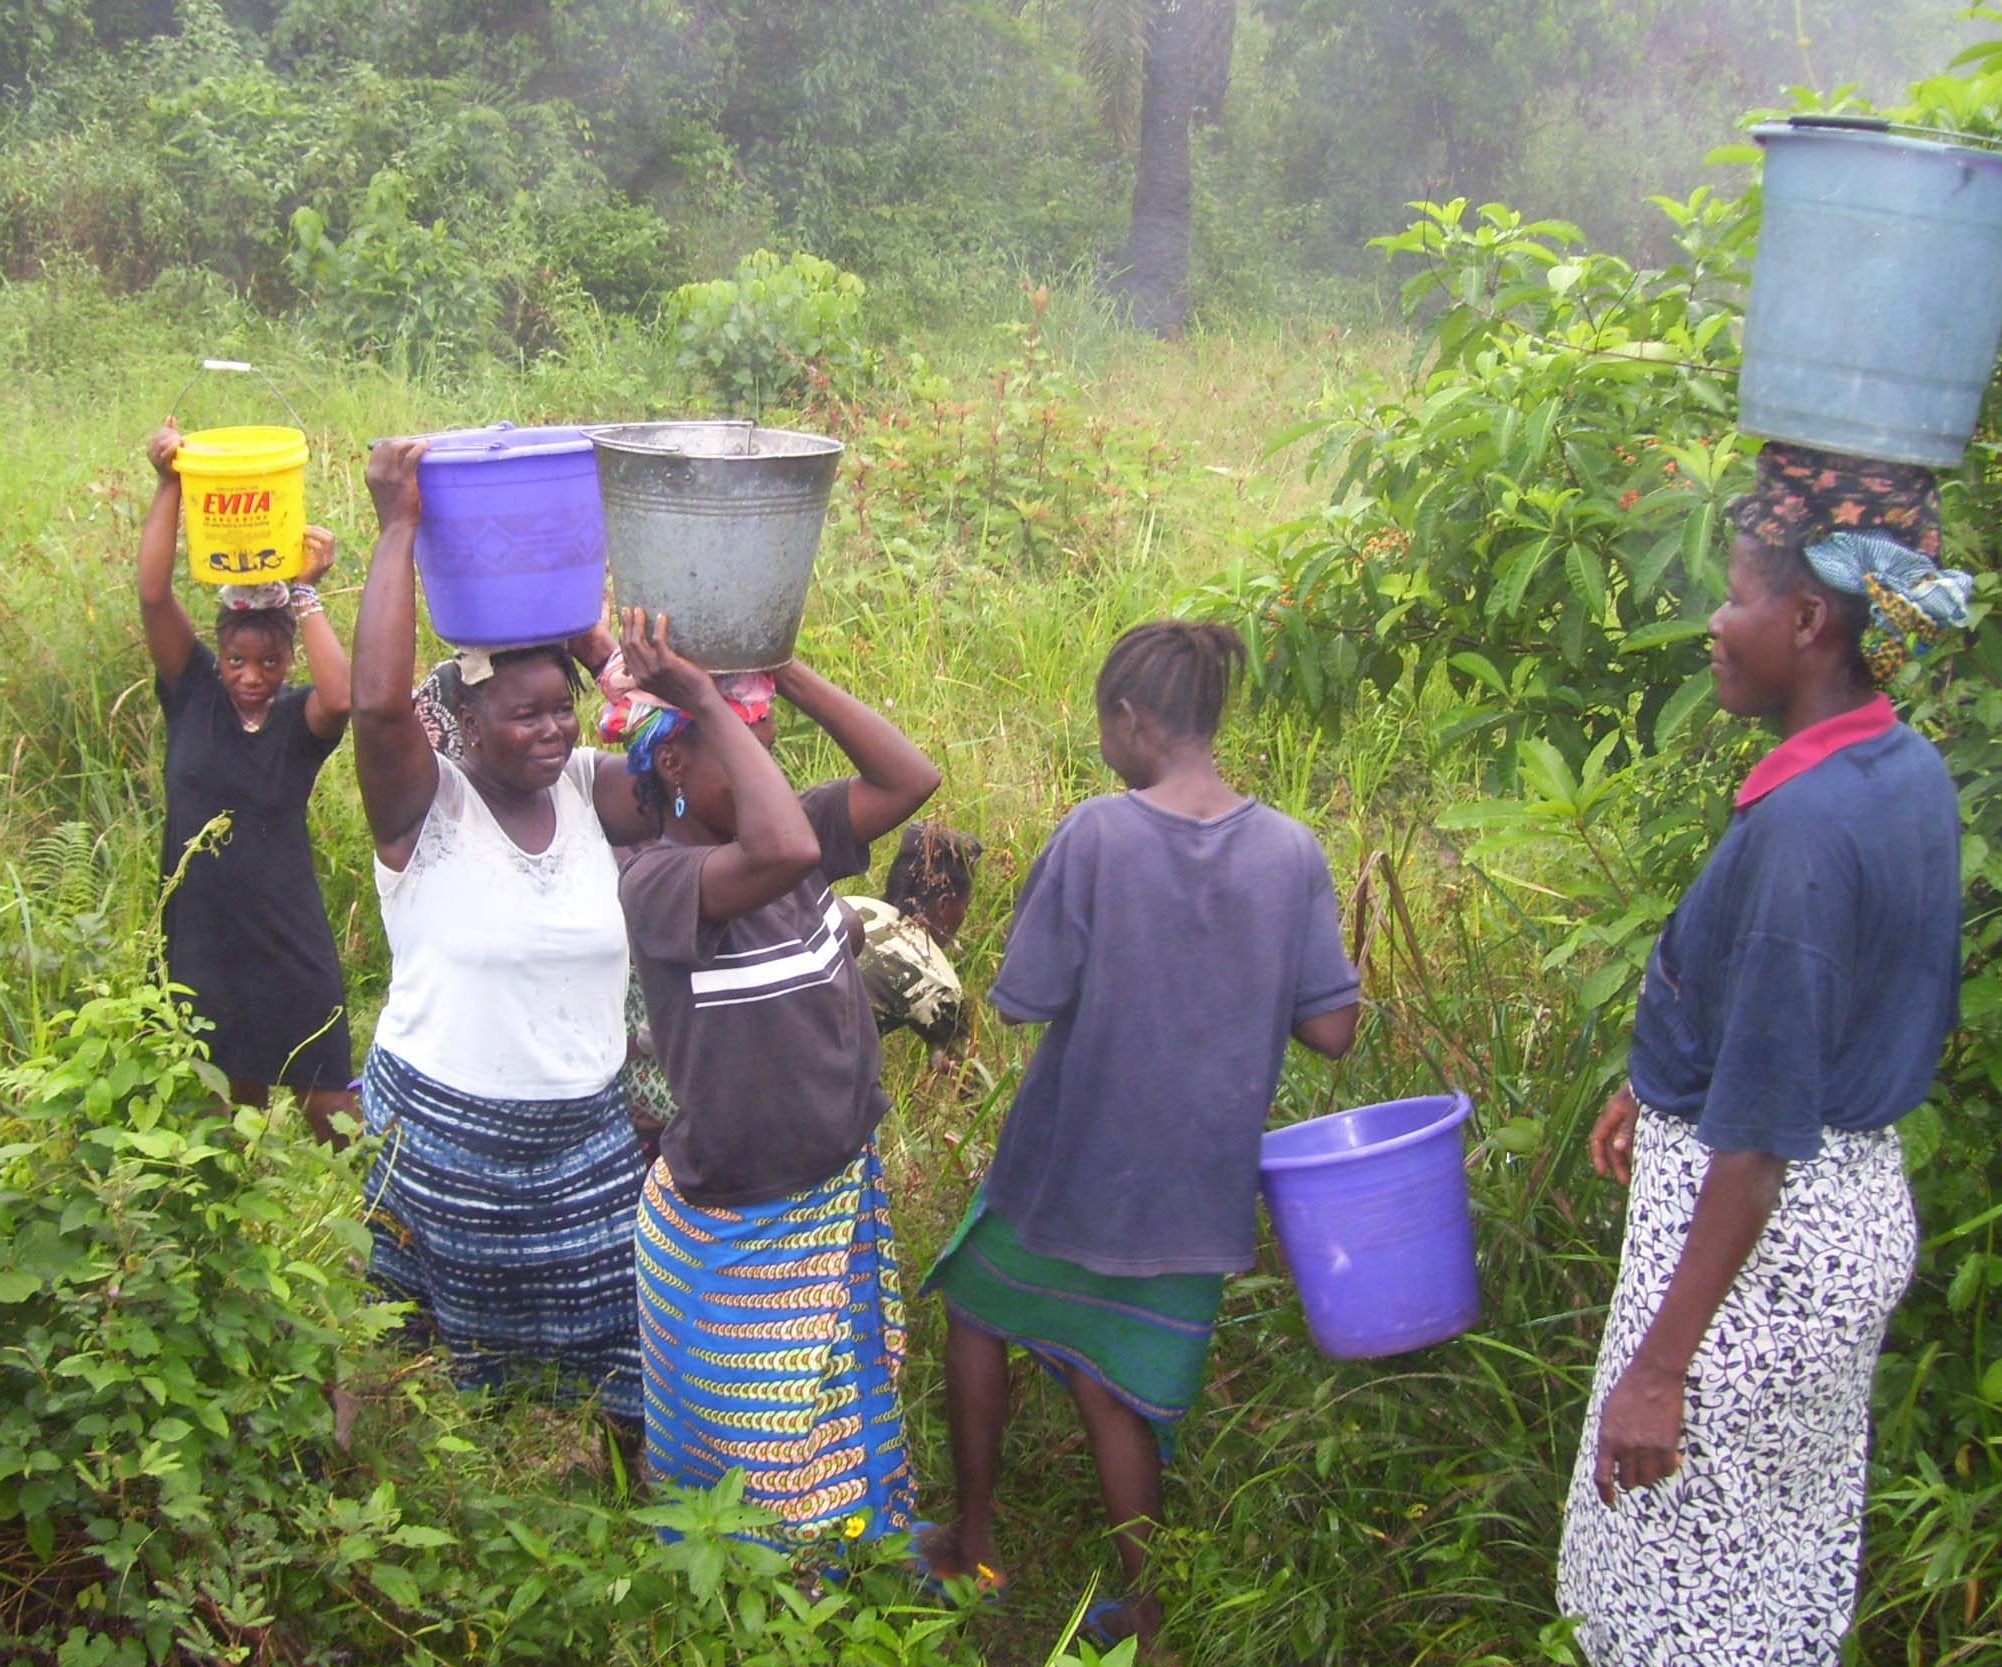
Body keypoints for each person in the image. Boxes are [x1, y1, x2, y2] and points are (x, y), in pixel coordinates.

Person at [1557, 440, 1970, 1667]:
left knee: (1683, 1593)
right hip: (1840, 1219)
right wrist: (1660, 1079)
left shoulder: (1803, 832)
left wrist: (1661, 1367)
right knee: (1769, 1557)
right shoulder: (1896, 768)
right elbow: (1813, 1001)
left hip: (1754, 1264)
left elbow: (1761, 1133)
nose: (1714, 623)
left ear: (1804, 618)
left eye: (1733, 595)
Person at [918, 620, 1363, 1653]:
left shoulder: (1098, 833)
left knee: (978, 1310)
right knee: (1113, 1380)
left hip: (1065, 1166)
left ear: (1133, 719)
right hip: (1197, 1185)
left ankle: (973, 1543)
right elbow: (1331, 1028)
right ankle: (1147, 1607)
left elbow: (1025, 996)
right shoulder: (1291, 850)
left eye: (1101, 721)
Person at [348, 438, 662, 1426]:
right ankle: (397, 1490)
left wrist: (583, 633)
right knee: (408, 1347)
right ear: (466, 728)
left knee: (623, 1338)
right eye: (523, 717)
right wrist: (400, 526)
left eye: (561, 711)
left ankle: (623, 1510)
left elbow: (698, 768)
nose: (553, 730)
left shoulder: (591, 793)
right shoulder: (422, 810)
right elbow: (372, 703)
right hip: (442, 1139)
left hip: (585, 1139)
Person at [612, 609, 941, 1547]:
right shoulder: (660, 880)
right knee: (754, 1448)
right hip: (745, 1211)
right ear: (674, 764)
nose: (771, 774)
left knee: (837, 1412)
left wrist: (782, 670)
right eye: (736, 748)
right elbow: (782, 849)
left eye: (768, 748)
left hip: (829, 1185)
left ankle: (860, 1561)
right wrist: (707, 703)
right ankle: (770, 1599)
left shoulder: (787, 833)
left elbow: (910, 777)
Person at [138, 422, 354, 1144]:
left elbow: (345, 696)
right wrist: (171, 480)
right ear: (218, 655)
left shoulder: (298, 722)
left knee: (328, 1098)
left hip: (285, 928)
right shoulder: (191, 693)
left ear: (287, 660)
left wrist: (303, 591)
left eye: (267, 664)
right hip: (204, 930)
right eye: (236, 661)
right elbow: (151, 592)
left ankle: (377, 1226)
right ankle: (235, 1238)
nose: (251, 678)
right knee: (228, 1103)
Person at [850, 822, 983, 1060]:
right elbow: (963, 1076)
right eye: (965, 906)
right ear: (943, 905)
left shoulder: (851, 905)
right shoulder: (937, 980)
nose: (965, 917)